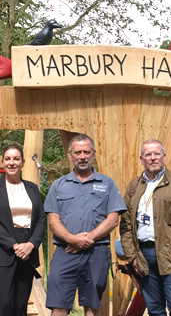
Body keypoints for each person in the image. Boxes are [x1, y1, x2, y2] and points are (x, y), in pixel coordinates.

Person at [44, 134, 126, 316]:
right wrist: (72, 240)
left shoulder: (107, 184)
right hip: (65, 251)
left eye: (86, 152)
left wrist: (87, 239)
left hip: (96, 251)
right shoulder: (58, 185)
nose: (82, 156)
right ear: (70, 154)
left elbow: (113, 219)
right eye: (78, 152)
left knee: (92, 305)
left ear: (94, 154)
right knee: (58, 304)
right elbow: (53, 221)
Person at [119, 139, 171, 316]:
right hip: (143, 255)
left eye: (157, 154)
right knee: (155, 310)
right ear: (142, 159)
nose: (153, 158)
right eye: (148, 154)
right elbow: (125, 224)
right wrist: (132, 256)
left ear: (164, 156)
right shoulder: (133, 187)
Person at [0, 143, 47, 316]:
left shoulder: (32, 188)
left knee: (20, 306)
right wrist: (14, 245)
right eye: (8, 159)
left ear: (23, 163)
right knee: (4, 305)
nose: (12, 163)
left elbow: (41, 219)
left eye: (16, 159)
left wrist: (31, 244)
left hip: (27, 250)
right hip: (3, 250)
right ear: (3, 162)